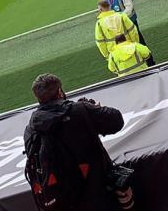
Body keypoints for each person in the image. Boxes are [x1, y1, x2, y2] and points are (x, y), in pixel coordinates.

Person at [23, 74, 126, 211]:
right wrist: (91, 109)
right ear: (60, 92)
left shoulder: (30, 130)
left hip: (61, 202)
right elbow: (116, 121)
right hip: (97, 194)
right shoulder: (80, 111)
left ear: (38, 98)